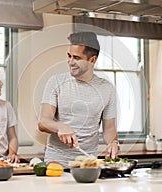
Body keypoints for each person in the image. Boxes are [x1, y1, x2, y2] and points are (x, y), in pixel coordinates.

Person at [38, 32, 119, 168]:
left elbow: (109, 129)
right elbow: (43, 122)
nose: (70, 62)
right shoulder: (56, 82)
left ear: (92, 60)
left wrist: (113, 143)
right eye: (69, 56)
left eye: (76, 58)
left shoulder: (107, 89)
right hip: (57, 161)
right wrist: (60, 127)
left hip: (88, 162)